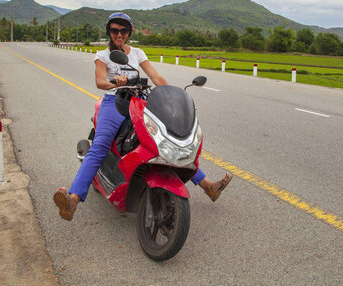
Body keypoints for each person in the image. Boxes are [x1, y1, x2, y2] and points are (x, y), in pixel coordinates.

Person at [54, 12, 232, 221]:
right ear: (109, 32)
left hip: (139, 102)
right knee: (100, 145)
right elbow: (100, 81)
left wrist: (173, 97)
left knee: (167, 141)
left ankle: (208, 186)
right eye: (114, 31)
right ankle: (73, 199)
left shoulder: (137, 53)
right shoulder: (103, 55)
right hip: (114, 103)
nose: (118, 35)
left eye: (123, 31)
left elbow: (155, 77)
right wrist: (116, 82)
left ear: (129, 32)